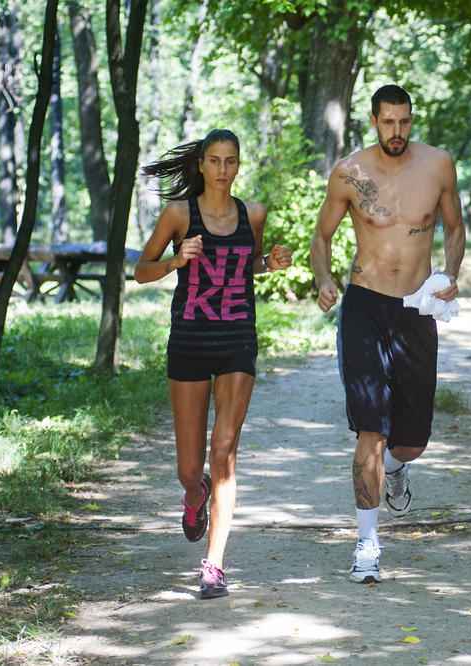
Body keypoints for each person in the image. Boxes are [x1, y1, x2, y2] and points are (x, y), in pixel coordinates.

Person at [309, 84, 466, 583]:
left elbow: (455, 227)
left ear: (410, 119)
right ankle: (366, 545)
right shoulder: (350, 172)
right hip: (365, 306)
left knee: (412, 441)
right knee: (371, 430)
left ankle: (399, 469)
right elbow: (322, 235)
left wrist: (450, 272)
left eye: (404, 121)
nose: (397, 131)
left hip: (417, 308)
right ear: (373, 120)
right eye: (388, 122)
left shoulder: (438, 164)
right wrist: (324, 278)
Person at [135, 129, 292, 599]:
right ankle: (193, 494)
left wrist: (271, 261)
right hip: (189, 340)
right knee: (190, 468)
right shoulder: (180, 214)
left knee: (223, 452)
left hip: (237, 340)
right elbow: (141, 270)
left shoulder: (253, 214)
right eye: (215, 161)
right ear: (201, 165)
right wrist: (174, 260)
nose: (223, 170)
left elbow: (246, 266)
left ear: (239, 165)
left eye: (231, 161)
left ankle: (214, 565)